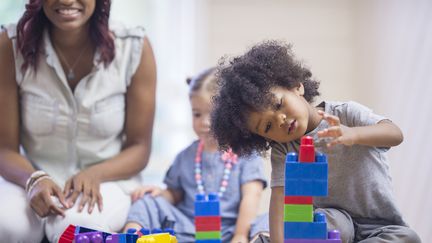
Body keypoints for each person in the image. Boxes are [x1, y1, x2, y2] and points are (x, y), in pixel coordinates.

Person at [209, 41, 421, 243]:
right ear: (263, 138)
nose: (280, 120)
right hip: (329, 224)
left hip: (380, 227)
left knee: (408, 238)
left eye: (278, 104)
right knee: (326, 224)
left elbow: (394, 134)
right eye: (267, 127)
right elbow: (279, 198)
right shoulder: (284, 150)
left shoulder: (346, 114)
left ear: (296, 86)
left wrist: (354, 134)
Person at [0, 0, 156, 242]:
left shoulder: (133, 48)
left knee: (76, 227)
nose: (66, 1)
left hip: (108, 179)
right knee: (9, 224)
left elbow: (140, 148)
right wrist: (34, 179)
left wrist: (95, 174)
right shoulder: (10, 45)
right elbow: (4, 149)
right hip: (29, 177)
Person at [124, 68, 269, 243]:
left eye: (213, 114)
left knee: (270, 219)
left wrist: (239, 235)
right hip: (187, 229)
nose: (205, 122)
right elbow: (175, 194)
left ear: (231, 114)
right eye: (197, 114)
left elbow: (251, 197)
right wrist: (161, 194)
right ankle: (131, 238)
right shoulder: (186, 156)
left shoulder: (246, 153)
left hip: (231, 231)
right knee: (146, 202)